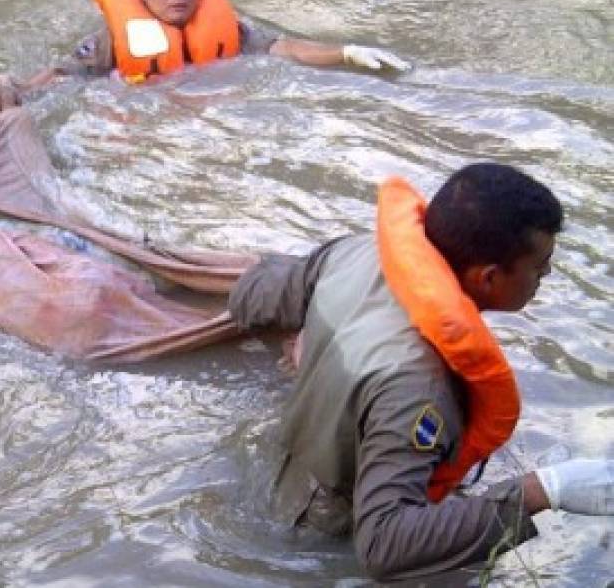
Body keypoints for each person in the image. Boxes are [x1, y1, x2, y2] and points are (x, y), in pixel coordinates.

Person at [226, 162, 613, 581]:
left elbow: (248, 298)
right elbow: (383, 545)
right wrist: (543, 490)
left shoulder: (354, 252)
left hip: (273, 472)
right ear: (488, 278)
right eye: (539, 266)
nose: (547, 275)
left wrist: (314, 343)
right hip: (315, 537)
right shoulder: (421, 387)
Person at [0, 0, 410, 112]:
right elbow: (62, 76)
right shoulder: (111, 40)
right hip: (134, 114)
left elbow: (286, 48)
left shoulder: (229, 29)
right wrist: (16, 91)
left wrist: (347, 53)